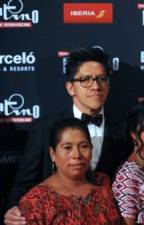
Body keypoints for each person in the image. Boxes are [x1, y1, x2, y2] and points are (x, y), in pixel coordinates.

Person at [4, 47, 130, 225]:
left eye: (102, 79)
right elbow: (24, 182)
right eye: (86, 80)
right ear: (70, 87)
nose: (96, 86)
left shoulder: (123, 127)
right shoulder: (45, 128)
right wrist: (13, 209)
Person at [19, 118, 120, 224]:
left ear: (91, 149)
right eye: (67, 148)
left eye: (84, 146)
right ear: (53, 154)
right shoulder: (36, 201)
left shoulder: (103, 182)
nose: (77, 155)